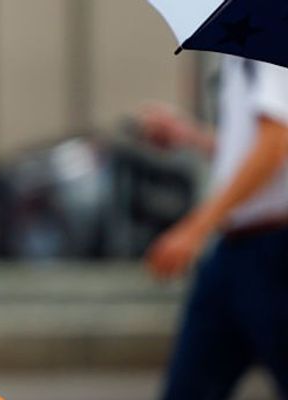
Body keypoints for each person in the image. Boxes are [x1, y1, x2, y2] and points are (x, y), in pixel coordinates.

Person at [140, 57, 288, 399]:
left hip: (272, 246)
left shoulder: (268, 36)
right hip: (239, 247)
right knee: (191, 386)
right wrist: (191, 136)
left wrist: (195, 228)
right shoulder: (244, 46)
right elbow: (258, 146)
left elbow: (275, 144)